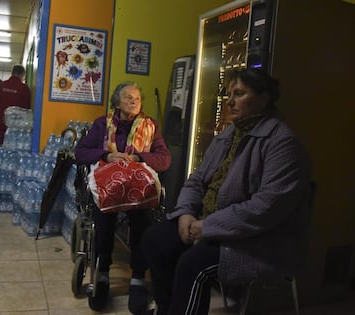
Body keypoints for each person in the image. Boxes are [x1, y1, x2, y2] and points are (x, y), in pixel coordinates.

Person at [141, 68, 312, 315]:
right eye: (228, 93)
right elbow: (197, 180)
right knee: (154, 240)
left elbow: (266, 208)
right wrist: (186, 213)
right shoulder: (229, 134)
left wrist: (208, 225)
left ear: (264, 99)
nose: (229, 101)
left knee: (193, 264)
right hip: (211, 225)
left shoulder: (283, 144)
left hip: (256, 239)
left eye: (239, 93)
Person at [75, 81, 171, 314]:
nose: (133, 101)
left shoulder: (151, 126)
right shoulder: (101, 124)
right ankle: (103, 273)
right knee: (105, 215)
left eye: (137, 98)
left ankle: (138, 278)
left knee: (143, 219)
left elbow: (164, 159)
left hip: (137, 187)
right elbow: (80, 152)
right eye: (128, 97)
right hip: (109, 185)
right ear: (116, 102)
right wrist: (106, 156)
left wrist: (138, 158)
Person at [0, 64, 31, 144]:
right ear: (22, 74)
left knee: (0, 144)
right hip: (16, 124)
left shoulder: (2, 85)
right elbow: (26, 108)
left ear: (12, 73)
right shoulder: (24, 88)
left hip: (1, 120)